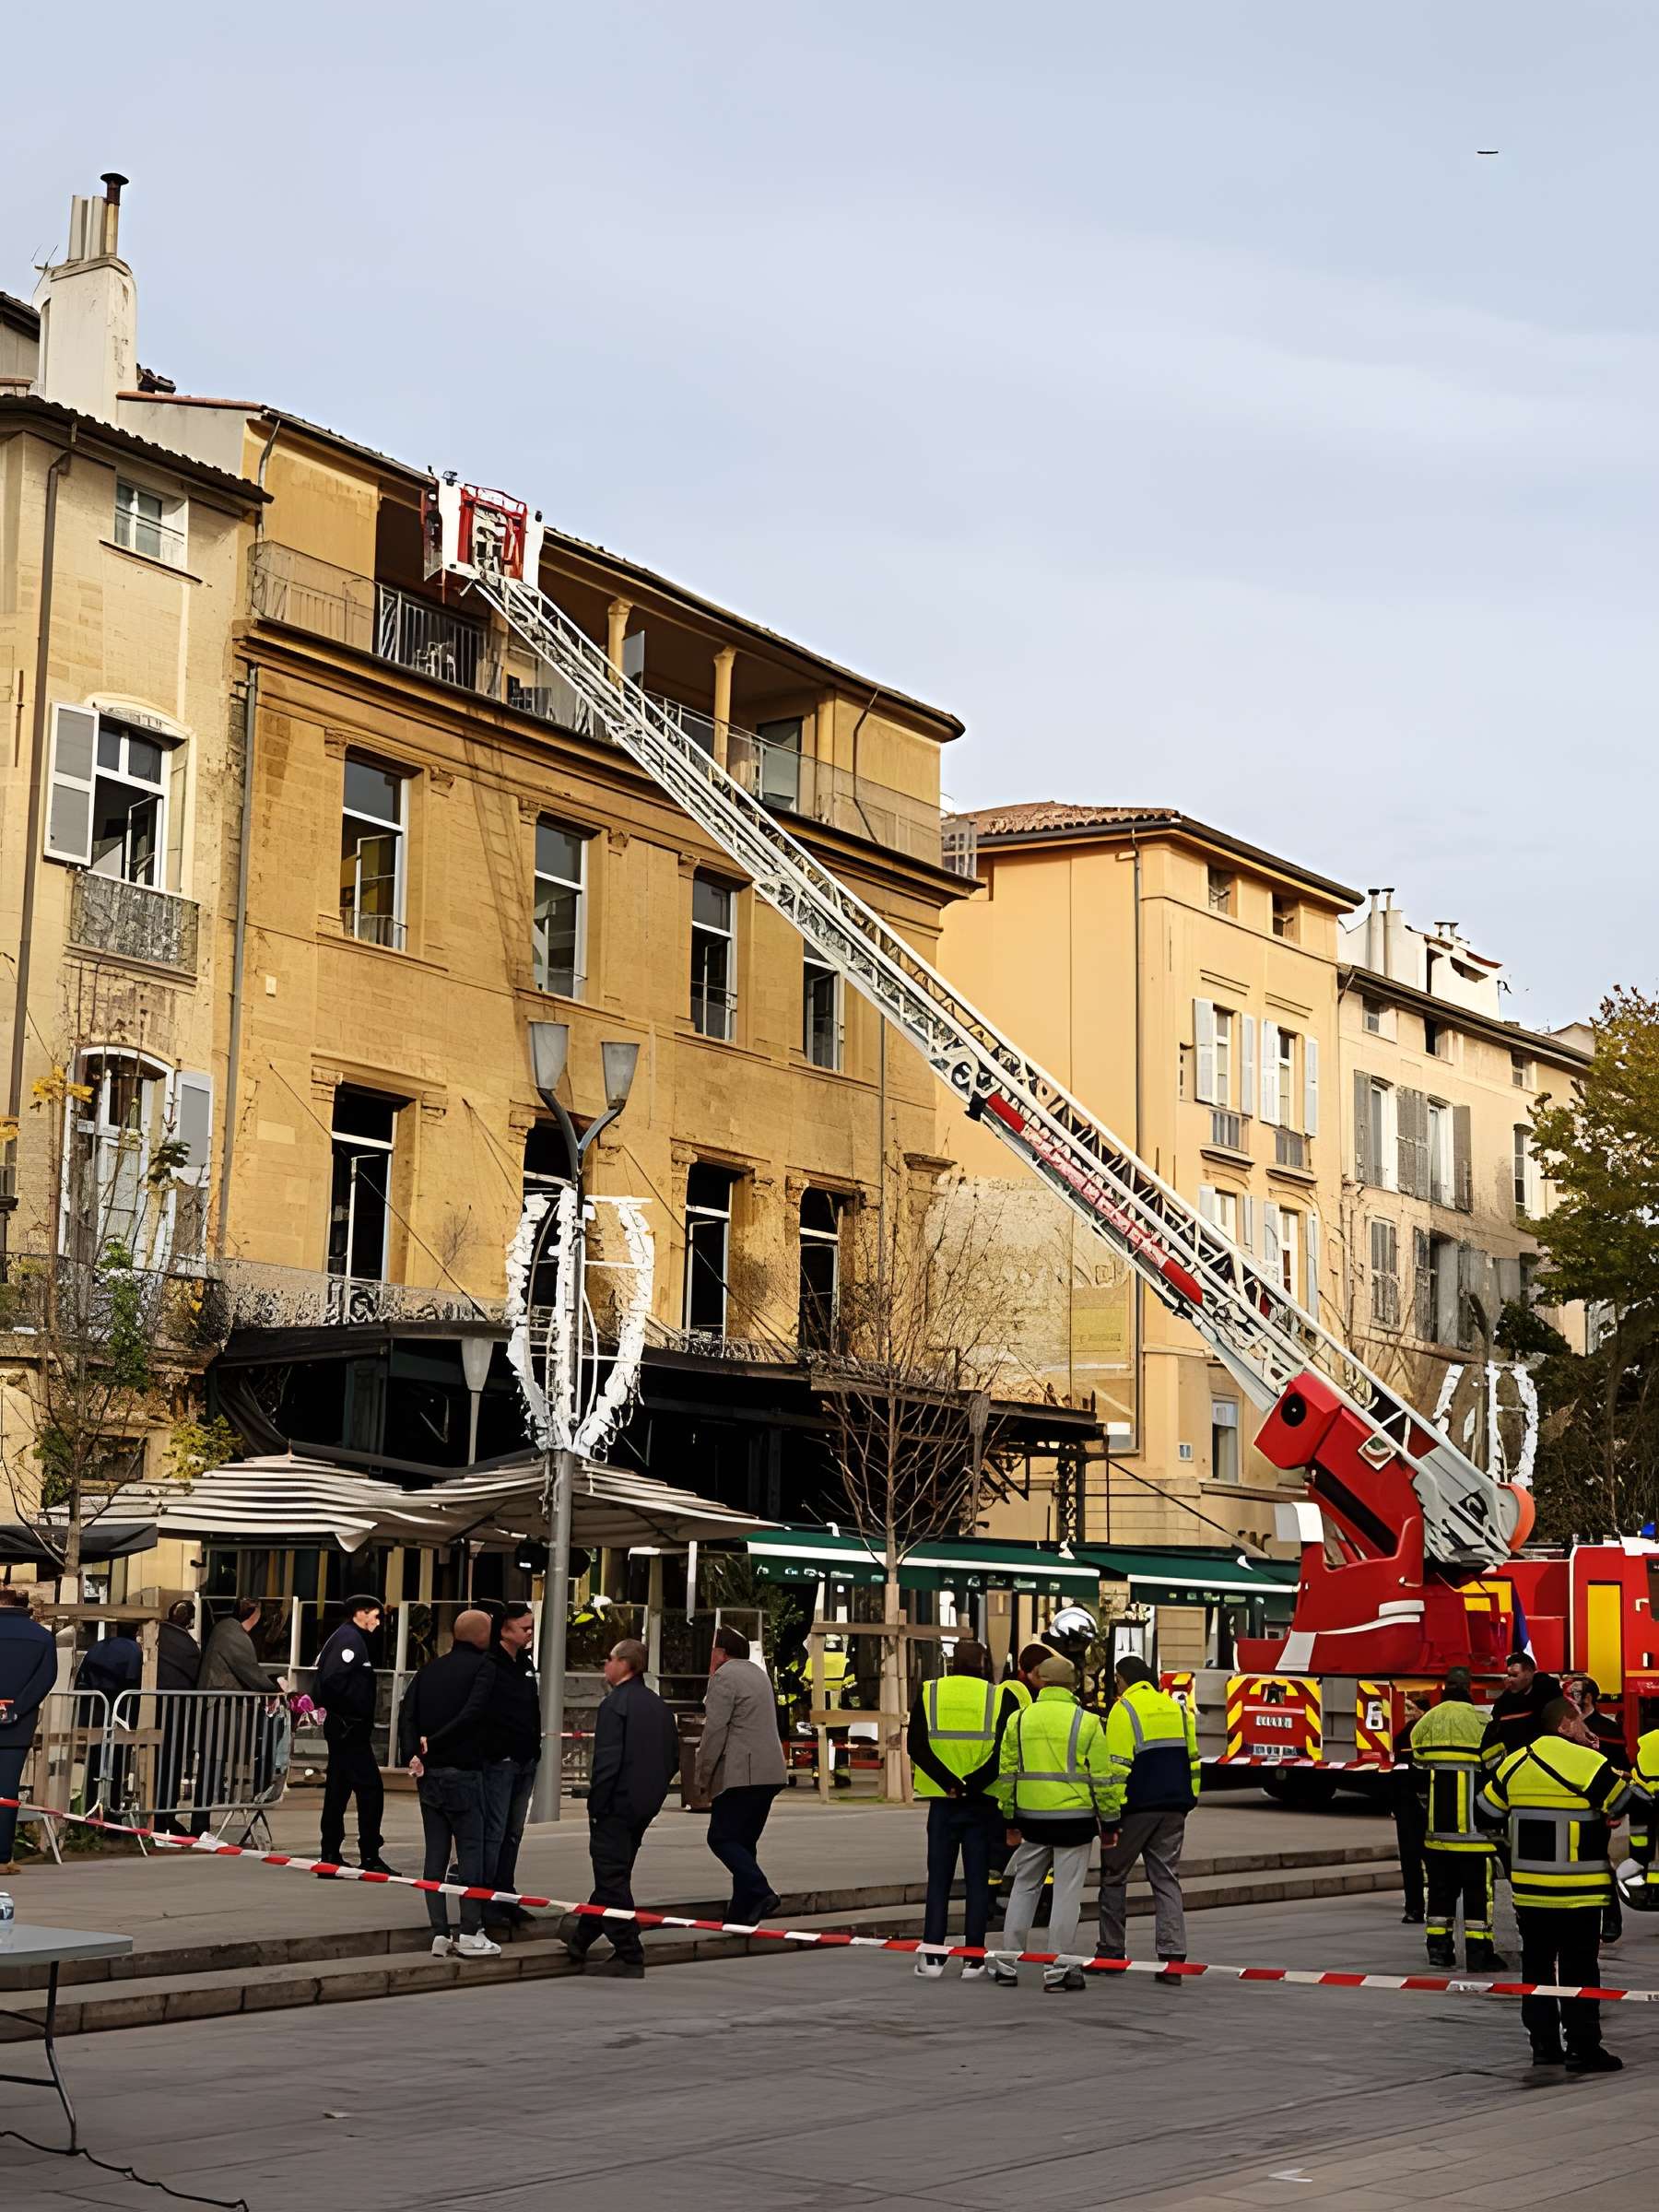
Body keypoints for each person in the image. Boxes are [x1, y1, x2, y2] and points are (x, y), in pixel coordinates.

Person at [1477, 1696, 1630, 2073]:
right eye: (1578, 1722)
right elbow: (1624, 1801)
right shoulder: (1588, 1762)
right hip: (1580, 1891)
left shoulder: (1515, 1762)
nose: (1584, 1728)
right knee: (1580, 1968)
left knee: (1538, 1967)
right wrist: (1597, 1756)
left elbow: (1485, 1812)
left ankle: (1544, 2046)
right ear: (1564, 1726)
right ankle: (1583, 2047)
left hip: (1530, 1891)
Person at [991, 1652, 1113, 1994]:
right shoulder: (1087, 1722)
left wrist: (1009, 1817)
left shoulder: (1019, 1719)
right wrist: (1111, 1822)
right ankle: (1058, 1970)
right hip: (1075, 1821)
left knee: (1024, 1887)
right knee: (1066, 1896)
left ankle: (1006, 1962)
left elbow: (1008, 1773)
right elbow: (1102, 1779)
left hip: (1031, 1820)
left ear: (1040, 1681)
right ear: (1073, 1685)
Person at [559, 1637, 680, 1978]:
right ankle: (580, 1939)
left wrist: (596, 1804)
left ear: (626, 1664)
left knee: (611, 1877)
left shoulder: (616, 1705)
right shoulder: (658, 1705)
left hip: (615, 1805)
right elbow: (672, 1758)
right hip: (644, 1805)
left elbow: (607, 1762)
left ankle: (629, 1953)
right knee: (615, 1874)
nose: (605, 1666)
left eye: (609, 1659)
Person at [907, 1638, 1014, 1983]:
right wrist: (974, 1783)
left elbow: (916, 1745)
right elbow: (1004, 1751)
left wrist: (950, 1782)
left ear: (951, 1663)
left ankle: (933, 1958)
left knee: (938, 1880)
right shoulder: (1000, 1697)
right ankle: (973, 1959)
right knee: (978, 1882)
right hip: (983, 1803)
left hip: (943, 1801)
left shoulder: (929, 1692)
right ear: (984, 1666)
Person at [397, 1609, 500, 1959]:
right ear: (483, 1636)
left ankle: (439, 1932)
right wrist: (438, 1741)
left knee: (435, 1854)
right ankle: (470, 1930)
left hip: (430, 1775)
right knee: (472, 1851)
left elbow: (406, 1712)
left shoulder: (429, 1670)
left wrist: (415, 1752)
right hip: (465, 1771)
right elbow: (474, 1712)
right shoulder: (484, 1668)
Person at [1095, 1655, 1201, 1983]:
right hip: (1175, 1807)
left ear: (1122, 1679)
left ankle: (1111, 1952)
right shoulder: (1177, 1708)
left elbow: (1115, 1771)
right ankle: (1173, 1958)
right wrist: (1189, 1800)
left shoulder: (1123, 1710)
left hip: (1136, 1810)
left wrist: (1109, 1819)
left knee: (1114, 1876)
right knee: (1166, 1878)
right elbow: (1193, 1760)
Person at [1408, 1666, 1504, 1971]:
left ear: (1445, 1687)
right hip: (1477, 1837)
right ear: (1468, 1688)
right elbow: (1498, 1771)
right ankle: (1479, 1954)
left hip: (1437, 1835)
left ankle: (1438, 1950)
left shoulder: (1425, 1723)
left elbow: (1416, 1775)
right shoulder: (1484, 1722)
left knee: (1438, 1896)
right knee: (1479, 1898)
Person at [695, 1624, 787, 1924]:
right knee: (744, 1842)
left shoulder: (724, 1676)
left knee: (720, 1838)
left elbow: (715, 1731)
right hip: (771, 1772)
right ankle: (741, 1915)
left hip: (742, 1774)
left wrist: (702, 1776)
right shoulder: (759, 1674)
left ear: (721, 1653)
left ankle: (761, 1892)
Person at [314, 1594, 397, 1877]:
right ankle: (369, 1854)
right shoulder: (350, 1641)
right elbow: (332, 1681)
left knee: (338, 1791)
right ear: (360, 1613)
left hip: (345, 1728)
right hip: (349, 1729)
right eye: (375, 1615)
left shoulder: (347, 1637)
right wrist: (350, 1715)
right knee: (371, 1789)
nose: (378, 1620)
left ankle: (330, 1853)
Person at [193, 1599, 285, 1836]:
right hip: (220, 1709)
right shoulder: (232, 1633)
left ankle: (200, 1822)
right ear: (253, 1615)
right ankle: (199, 1824)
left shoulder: (226, 1629)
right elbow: (248, 1669)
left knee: (212, 1764)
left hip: (222, 1707)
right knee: (212, 1763)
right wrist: (273, 1686)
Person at [481, 1601, 541, 1938]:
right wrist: (498, 1750)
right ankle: (488, 1895)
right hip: (501, 1759)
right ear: (504, 1629)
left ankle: (505, 1891)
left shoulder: (525, 1664)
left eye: (532, 1627)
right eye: (524, 1628)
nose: (529, 1634)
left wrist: (534, 1750)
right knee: (496, 1829)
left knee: (513, 1831)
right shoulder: (491, 1664)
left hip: (524, 1758)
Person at [0, 1588, 56, 1875]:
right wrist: (16, 1708)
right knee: (7, 1788)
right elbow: (46, 1678)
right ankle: (2, 1856)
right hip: (18, 1723)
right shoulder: (42, 1637)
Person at [1570, 1677, 1628, 1944]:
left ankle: (1611, 1918)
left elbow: (1623, 1769)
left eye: (1576, 1692)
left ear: (1590, 1697)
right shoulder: (1565, 1728)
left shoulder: (1607, 1729)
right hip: (1569, 1805)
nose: (1570, 1697)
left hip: (1600, 1807)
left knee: (1601, 1863)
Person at [76, 1623, 142, 1812]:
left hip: (94, 1708)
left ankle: (89, 1809)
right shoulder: (133, 1651)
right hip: (120, 1709)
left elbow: (82, 1678)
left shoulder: (98, 1646)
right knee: (117, 1763)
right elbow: (132, 1681)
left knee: (94, 1762)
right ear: (135, 1632)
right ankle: (113, 1810)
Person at [153, 1600, 200, 1834]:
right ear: (190, 1620)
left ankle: (156, 1814)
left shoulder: (156, 1633)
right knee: (171, 1762)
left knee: (155, 1762)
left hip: (152, 1707)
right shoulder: (189, 1647)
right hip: (176, 1712)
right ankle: (165, 1815)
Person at [1482, 1650, 1563, 1764]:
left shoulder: (1549, 1695)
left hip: (1544, 1760)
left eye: (1515, 1675)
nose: (1510, 1679)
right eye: (1508, 1675)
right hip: (1512, 1760)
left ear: (1530, 1672)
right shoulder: (1504, 1701)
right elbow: (1492, 1730)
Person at [1391, 1697, 1428, 1925]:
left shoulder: (1414, 1733)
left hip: (1416, 1804)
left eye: (1412, 1710)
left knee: (1415, 1860)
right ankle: (1415, 1907)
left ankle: (1415, 1908)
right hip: (1412, 1804)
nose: (1408, 1714)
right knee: (1414, 1860)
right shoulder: (1407, 1735)